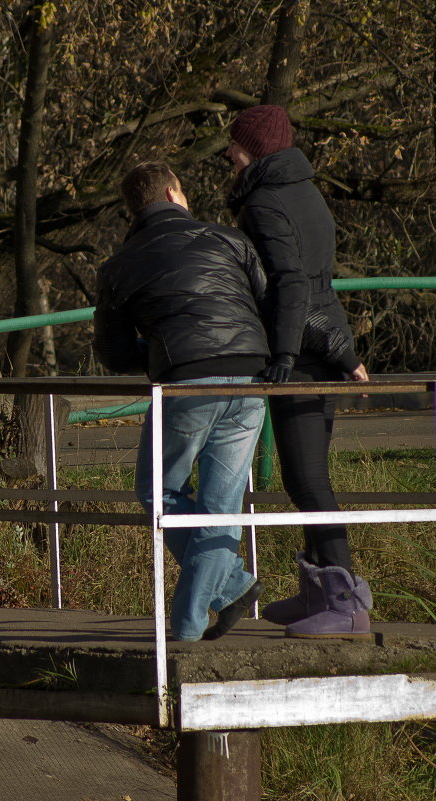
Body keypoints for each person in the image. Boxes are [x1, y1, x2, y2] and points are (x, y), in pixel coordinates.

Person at [93, 161, 271, 642]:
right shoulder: (228, 239)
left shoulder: (120, 265)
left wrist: (156, 350)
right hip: (254, 378)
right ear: (174, 193)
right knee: (219, 508)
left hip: (187, 384)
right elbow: (264, 299)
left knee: (158, 492)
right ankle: (219, 597)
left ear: (135, 207)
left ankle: (203, 616)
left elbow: (111, 353)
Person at [226, 104, 372, 639]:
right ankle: (319, 591)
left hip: (304, 353)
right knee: (305, 475)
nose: (228, 154)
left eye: (235, 146)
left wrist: (283, 357)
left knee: (308, 478)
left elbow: (289, 281)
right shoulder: (305, 190)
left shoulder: (264, 200)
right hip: (321, 339)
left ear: (253, 151)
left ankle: (344, 603)